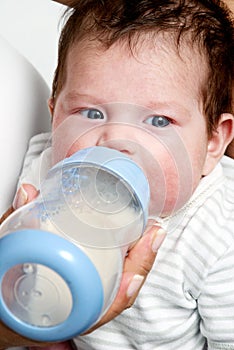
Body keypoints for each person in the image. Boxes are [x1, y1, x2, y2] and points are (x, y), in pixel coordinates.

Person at [1, 0, 234, 349]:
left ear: (212, 143)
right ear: (55, 115)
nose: (116, 141)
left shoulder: (219, 231)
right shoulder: (42, 171)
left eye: (158, 121)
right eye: (91, 112)